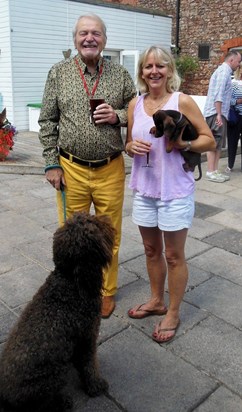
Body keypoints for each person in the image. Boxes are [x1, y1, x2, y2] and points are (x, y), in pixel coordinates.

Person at [39, 14, 137, 319]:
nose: (89, 38)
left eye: (96, 33)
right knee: (72, 237)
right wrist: (51, 164)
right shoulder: (58, 73)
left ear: (104, 40)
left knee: (110, 234)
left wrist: (118, 116)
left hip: (110, 168)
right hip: (72, 170)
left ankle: (106, 292)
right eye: (84, 33)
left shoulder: (120, 75)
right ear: (75, 38)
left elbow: (138, 111)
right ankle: (76, 287)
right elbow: (47, 120)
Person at [125, 46, 215, 343]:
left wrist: (182, 145)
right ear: (142, 72)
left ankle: (173, 311)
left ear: (169, 71)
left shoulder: (182, 101)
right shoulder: (134, 105)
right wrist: (129, 148)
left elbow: (209, 141)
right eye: (148, 66)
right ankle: (156, 301)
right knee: (151, 251)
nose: (154, 71)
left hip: (174, 190)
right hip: (145, 188)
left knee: (174, 255)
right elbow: (128, 143)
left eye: (160, 66)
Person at [204, 50, 242, 183]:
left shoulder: (225, 72)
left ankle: (214, 171)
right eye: (238, 62)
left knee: (218, 144)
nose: (239, 65)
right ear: (231, 60)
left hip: (219, 113)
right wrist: (219, 114)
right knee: (213, 142)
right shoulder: (224, 72)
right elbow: (218, 94)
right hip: (216, 113)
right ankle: (210, 171)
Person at [226, 61, 242, 173]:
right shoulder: (233, 83)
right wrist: (238, 101)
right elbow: (227, 100)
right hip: (236, 116)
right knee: (232, 141)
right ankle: (230, 165)